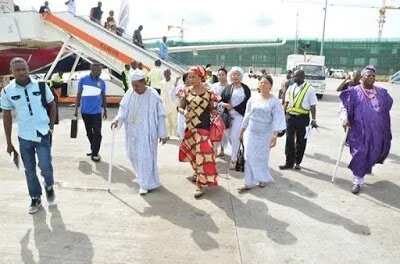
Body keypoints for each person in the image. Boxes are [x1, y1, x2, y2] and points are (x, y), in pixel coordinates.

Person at [1, 58, 57, 214]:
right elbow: (7, 116)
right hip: (24, 136)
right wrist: (9, 142)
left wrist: (51, 127)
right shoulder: (7, 91)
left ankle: (49, 185)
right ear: (11, 71)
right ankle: (35, 198)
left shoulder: (41, 85)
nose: (21, 72)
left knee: (46, 166)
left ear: (28, 68)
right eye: (17, 70)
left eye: (24, 69)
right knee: (29, 169)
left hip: (43, 133)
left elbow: (52, 105)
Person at [111, 70, 168, 195]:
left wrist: (163, 133)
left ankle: (144, 184)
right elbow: (123, 110)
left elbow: (161, 115)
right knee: (132, 155)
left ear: (144, 82)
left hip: (147, 132)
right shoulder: (130, 93)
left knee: (145, 157)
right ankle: (143, 177)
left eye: (137, 85)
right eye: (133, 85)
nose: (134, 88)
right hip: (132, 131)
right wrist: (117, 120)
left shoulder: (153, 95)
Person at [339, 65, 392, 194]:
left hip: (377, 132)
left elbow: (388, 105)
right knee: (360, 153)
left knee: (373, 153)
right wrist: (344, 118)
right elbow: (343, 107)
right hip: (359, 132)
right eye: (368, 75)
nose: (372, 77)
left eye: (373, 75)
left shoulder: (382, 93)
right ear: (362, 77)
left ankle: (362, 174)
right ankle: (357, 181)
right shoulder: (353, 92)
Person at [238, 76, 286, 192]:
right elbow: (247, 115)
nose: (263, 85)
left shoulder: (274, 102)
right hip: (251, 132)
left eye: (265, 83)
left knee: (261, 158)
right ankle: (248, 182)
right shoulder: (253, 99)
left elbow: (277, 119)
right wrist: (242, 130)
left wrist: (275, 136)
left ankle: (262, 178)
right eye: (261, 83)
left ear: (270, 86)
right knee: (248, 156)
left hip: (265, 134)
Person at [179, 66, 218, 198]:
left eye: (193, 77)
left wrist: (215, 108)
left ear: (201, 77)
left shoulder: (209, 93)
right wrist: (184, 111)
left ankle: (201, 185)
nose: (190, 79)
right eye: (189, 77)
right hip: (190, 127)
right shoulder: (186, 91)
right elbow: (180, 106)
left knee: (203, 155)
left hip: (203, 129)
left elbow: (213, 110)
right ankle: (197, 173)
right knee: (193, 153)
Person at [279, 69, 318, 171]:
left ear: (302, 77)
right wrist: (283, 116)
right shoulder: (291, 88)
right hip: (290, 117)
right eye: (293, 76)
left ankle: (297, 162)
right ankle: (288, 163)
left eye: (295, 76)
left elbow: (313, 105)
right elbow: (286, 103)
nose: (293, 78)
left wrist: (314, 119)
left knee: (301, 141)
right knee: (289, 141)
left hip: (303, 118)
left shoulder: (310, 89)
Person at [74, 62, 107, 162]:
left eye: (101, 71)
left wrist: (105, 109)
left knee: (98, 133)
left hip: (97, 112)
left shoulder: (102, 82)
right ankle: (94, 148)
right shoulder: (83, 80)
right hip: (85, 112)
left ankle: (95, 153)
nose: (100, 72)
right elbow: (79, 94)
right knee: (89, 132)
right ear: (92, 70)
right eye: (98, 70)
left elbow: (103, 96)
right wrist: (76, 108)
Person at [220, 66, 251, 169]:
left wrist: (233, 107)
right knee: (229, 137)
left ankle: (234, 160)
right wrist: (225, 105)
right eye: (233, 74)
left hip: (240, 116)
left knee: (235, 137)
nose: (235, 76)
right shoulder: (228, 88)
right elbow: (221, 100)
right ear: (231, 76)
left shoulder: (245, 88)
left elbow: (248, 103)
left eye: (237, 74)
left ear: (241, 76)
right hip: (227, 116)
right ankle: (237, 153)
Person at [211, 67, 229, 157]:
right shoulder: (214, 86)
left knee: (224, 131)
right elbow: (211, 97)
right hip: (215, 111)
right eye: (219, 75)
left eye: (223, 75)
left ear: (226, 75)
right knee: (215, 130)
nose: (221, 76)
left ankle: (222, 149)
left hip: (225, 112)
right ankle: (215, 149)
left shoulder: (230, 86)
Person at [160, 69, 177, 137]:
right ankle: (167, 135)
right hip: (165, 104)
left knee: (174, 120)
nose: (166, 75)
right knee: (166, 121)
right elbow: (162, 93)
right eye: (165, 74)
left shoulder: (174, 82)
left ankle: (175, 135)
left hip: (173, 104)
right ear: (164, 75)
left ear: (170, 74)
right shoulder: (162, 82)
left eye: (168, 73)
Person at [175, 72, 190, 140]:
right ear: (184, 79)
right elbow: (175, 96)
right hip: (181, 113)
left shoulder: (195, 88)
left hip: (191, 114)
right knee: (181, 131)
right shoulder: (181, 88)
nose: (189, 80)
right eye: (187, 78)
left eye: (191, 78)